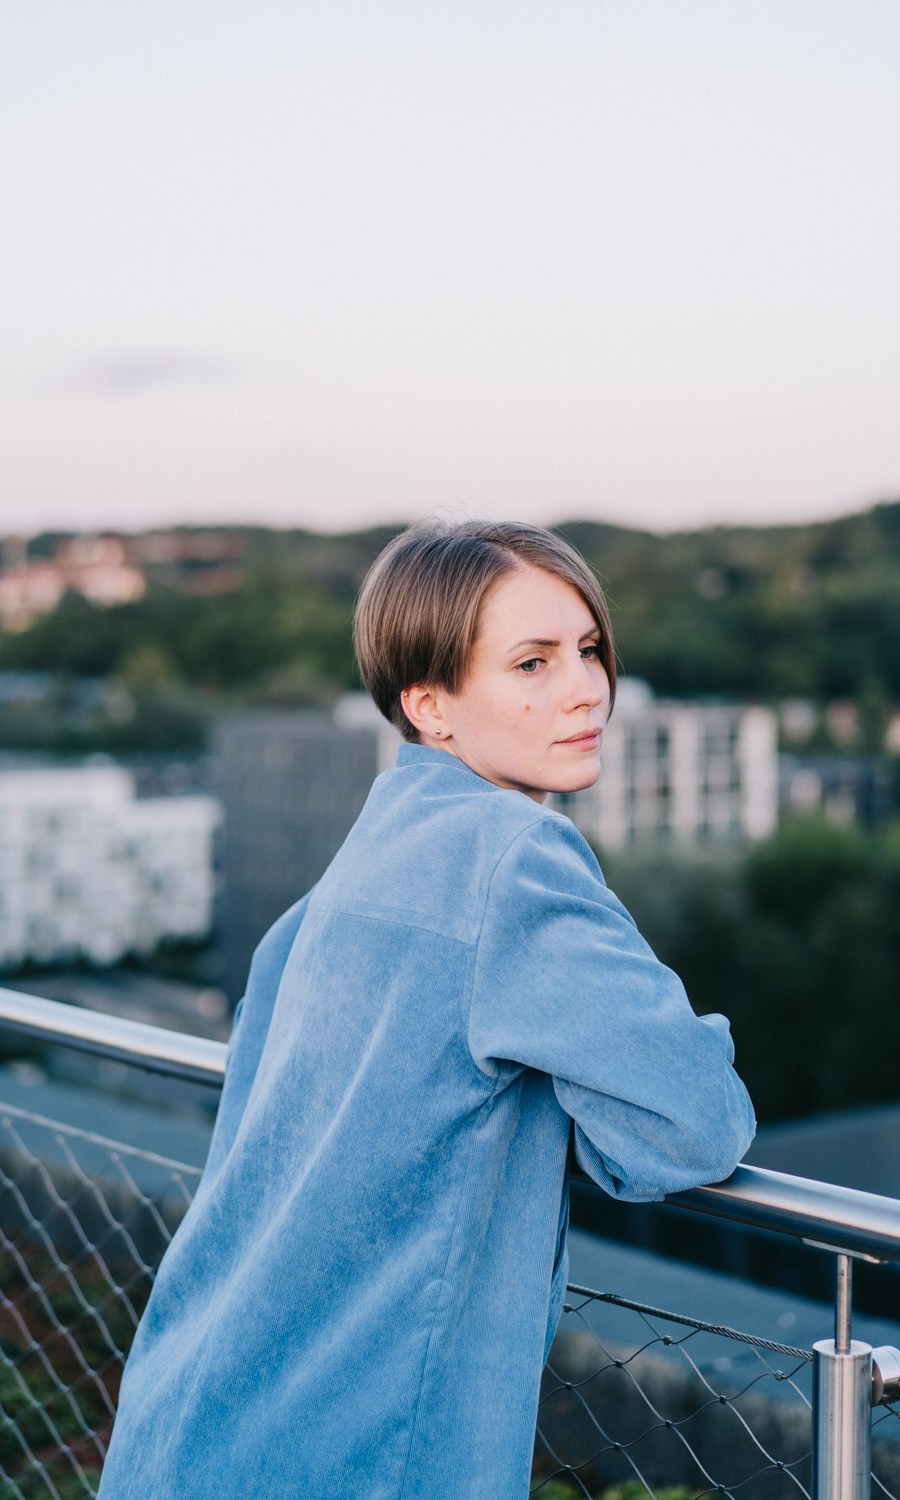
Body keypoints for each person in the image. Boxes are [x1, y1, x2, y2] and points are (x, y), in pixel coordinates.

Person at [97, 520, 755, 1500]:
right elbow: (691, 1127)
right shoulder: (513, 860)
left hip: (189, 1422)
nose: (584, 689)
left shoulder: (353, 869)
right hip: (351, 1453)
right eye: (531, 663)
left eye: (588, 650)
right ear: (428, 705)